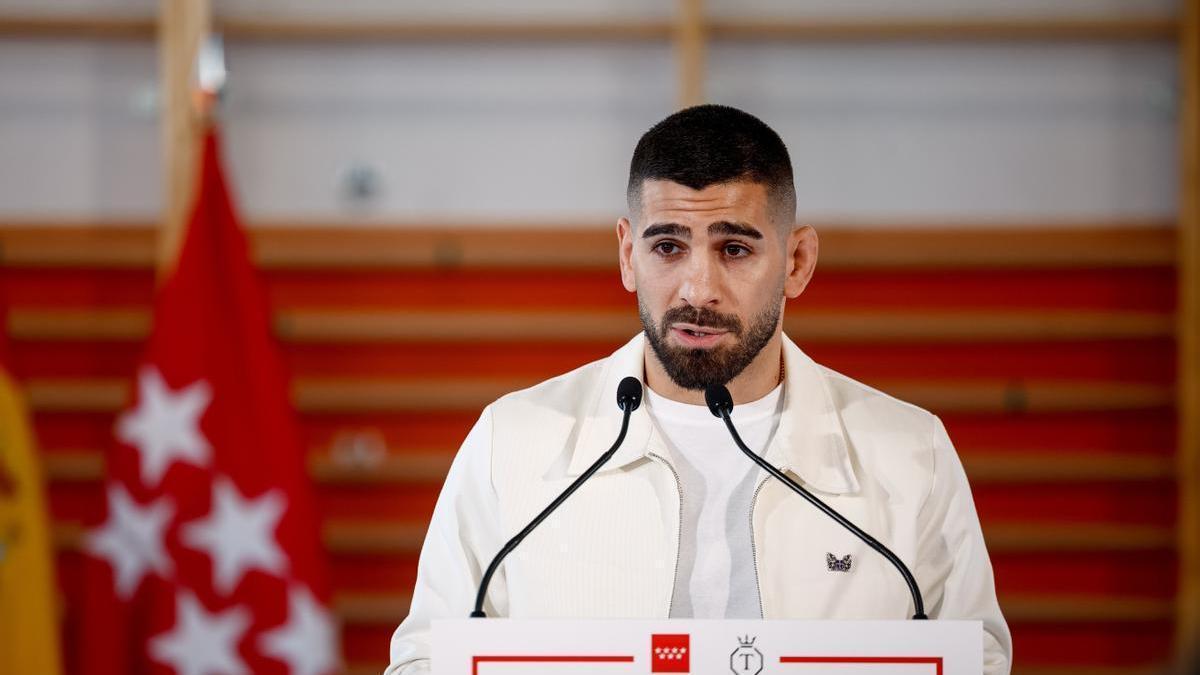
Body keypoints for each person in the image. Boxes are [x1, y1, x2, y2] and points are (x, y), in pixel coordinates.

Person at [385, 104, 1012, 674]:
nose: (698, 289)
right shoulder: (511, 441)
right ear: (628, 255)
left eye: (734, 249)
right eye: (668, 247)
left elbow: (975, 661)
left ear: (797, 262)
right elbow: (424, 660)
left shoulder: (912, 452)